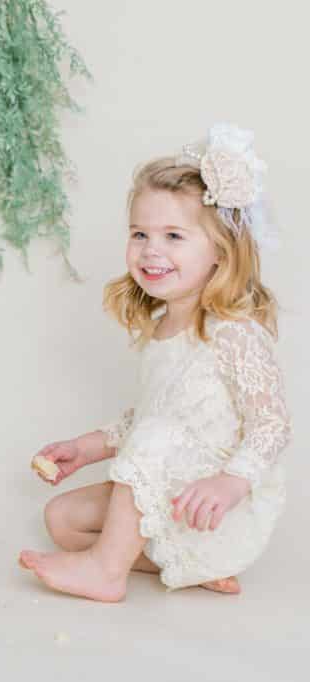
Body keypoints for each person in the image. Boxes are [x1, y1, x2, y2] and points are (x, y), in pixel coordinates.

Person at [19, 123, 292, 602]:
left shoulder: (233, 331)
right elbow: (155, 413)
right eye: (140, 233)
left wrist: (232, 482)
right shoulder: (164, 326)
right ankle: (189, 564)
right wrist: (87, 447)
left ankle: (107, 572)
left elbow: (272, 424)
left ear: (220, 252)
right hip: (173, 496)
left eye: (173, 236)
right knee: (61, 520)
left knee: (156, 438)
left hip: (214, 505)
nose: (151, 250)